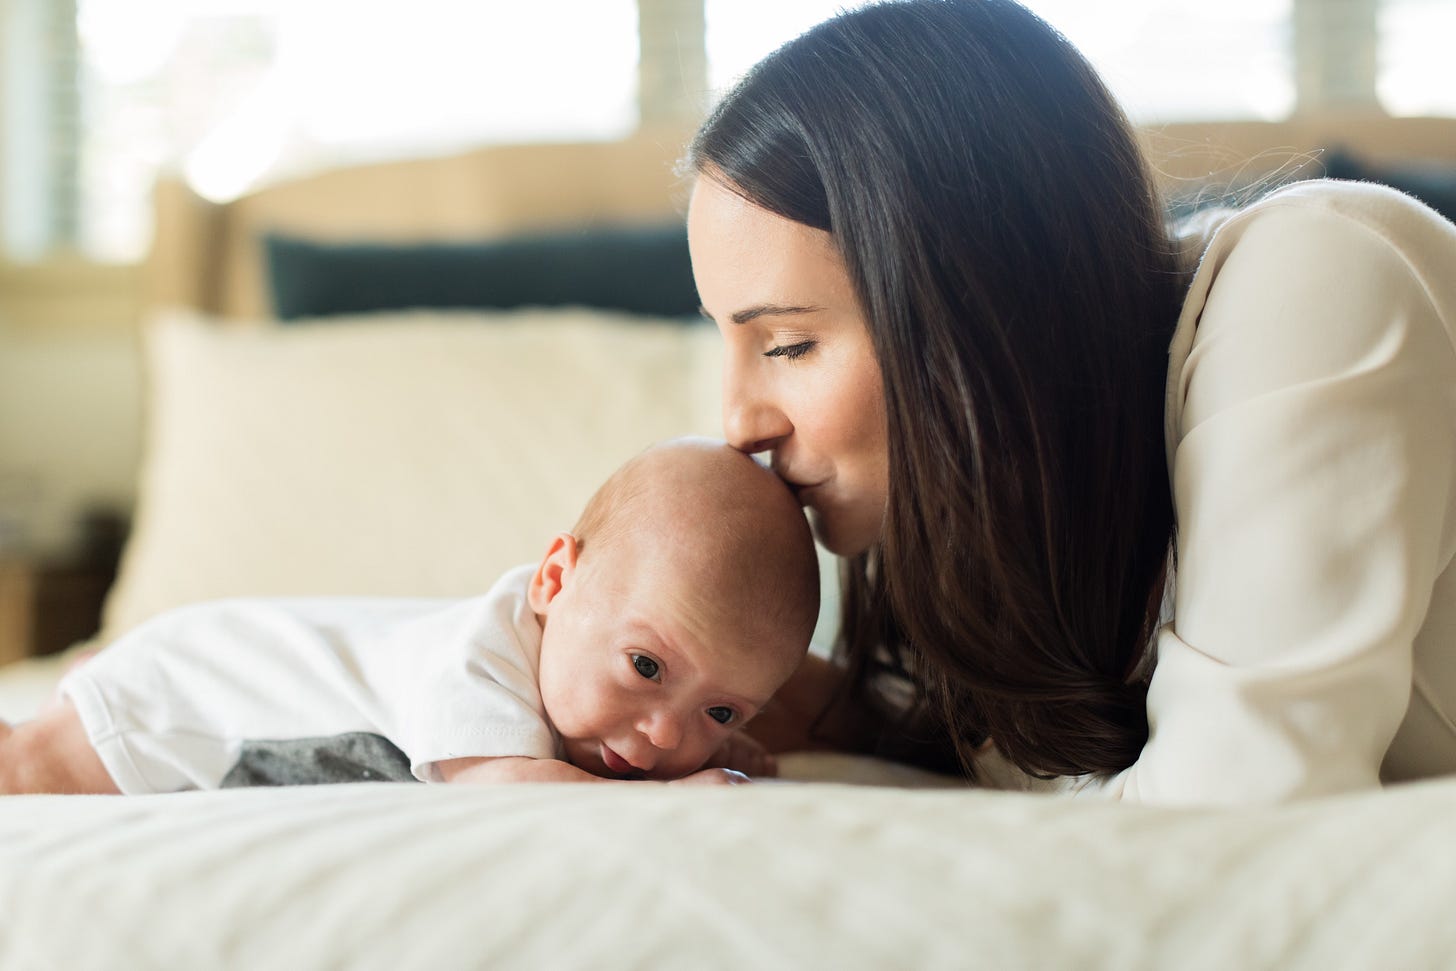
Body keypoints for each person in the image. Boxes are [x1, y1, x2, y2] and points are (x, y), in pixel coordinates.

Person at [684, 0, 1456, 805]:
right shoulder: (1022, 526)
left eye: (786, 344)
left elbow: (1234, 820)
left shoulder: (1318, 278)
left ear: (970, 300)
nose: (740, 423)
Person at [0, 438, 819, 794]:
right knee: (28, 777)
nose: (671, 738)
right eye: (646, 666)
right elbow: (507, 789)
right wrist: (675, 798)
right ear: (554, 580)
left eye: (719, 710)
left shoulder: (594, 692)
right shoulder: (480, 661)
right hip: (177, 702)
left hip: (188, 661)